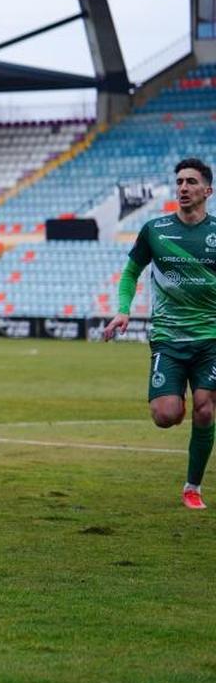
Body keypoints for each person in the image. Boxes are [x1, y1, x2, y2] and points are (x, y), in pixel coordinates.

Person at [104, 157, 216, 510]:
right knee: (166, 415)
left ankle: (192, 486)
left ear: (207, 191)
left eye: (191, 182)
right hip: (168, 338)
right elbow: (130, 273)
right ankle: (176, 400)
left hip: (211, 338)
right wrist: (123, 310)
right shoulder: (155, 230)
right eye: (180, 181)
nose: (183, 187)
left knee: (205, 409)